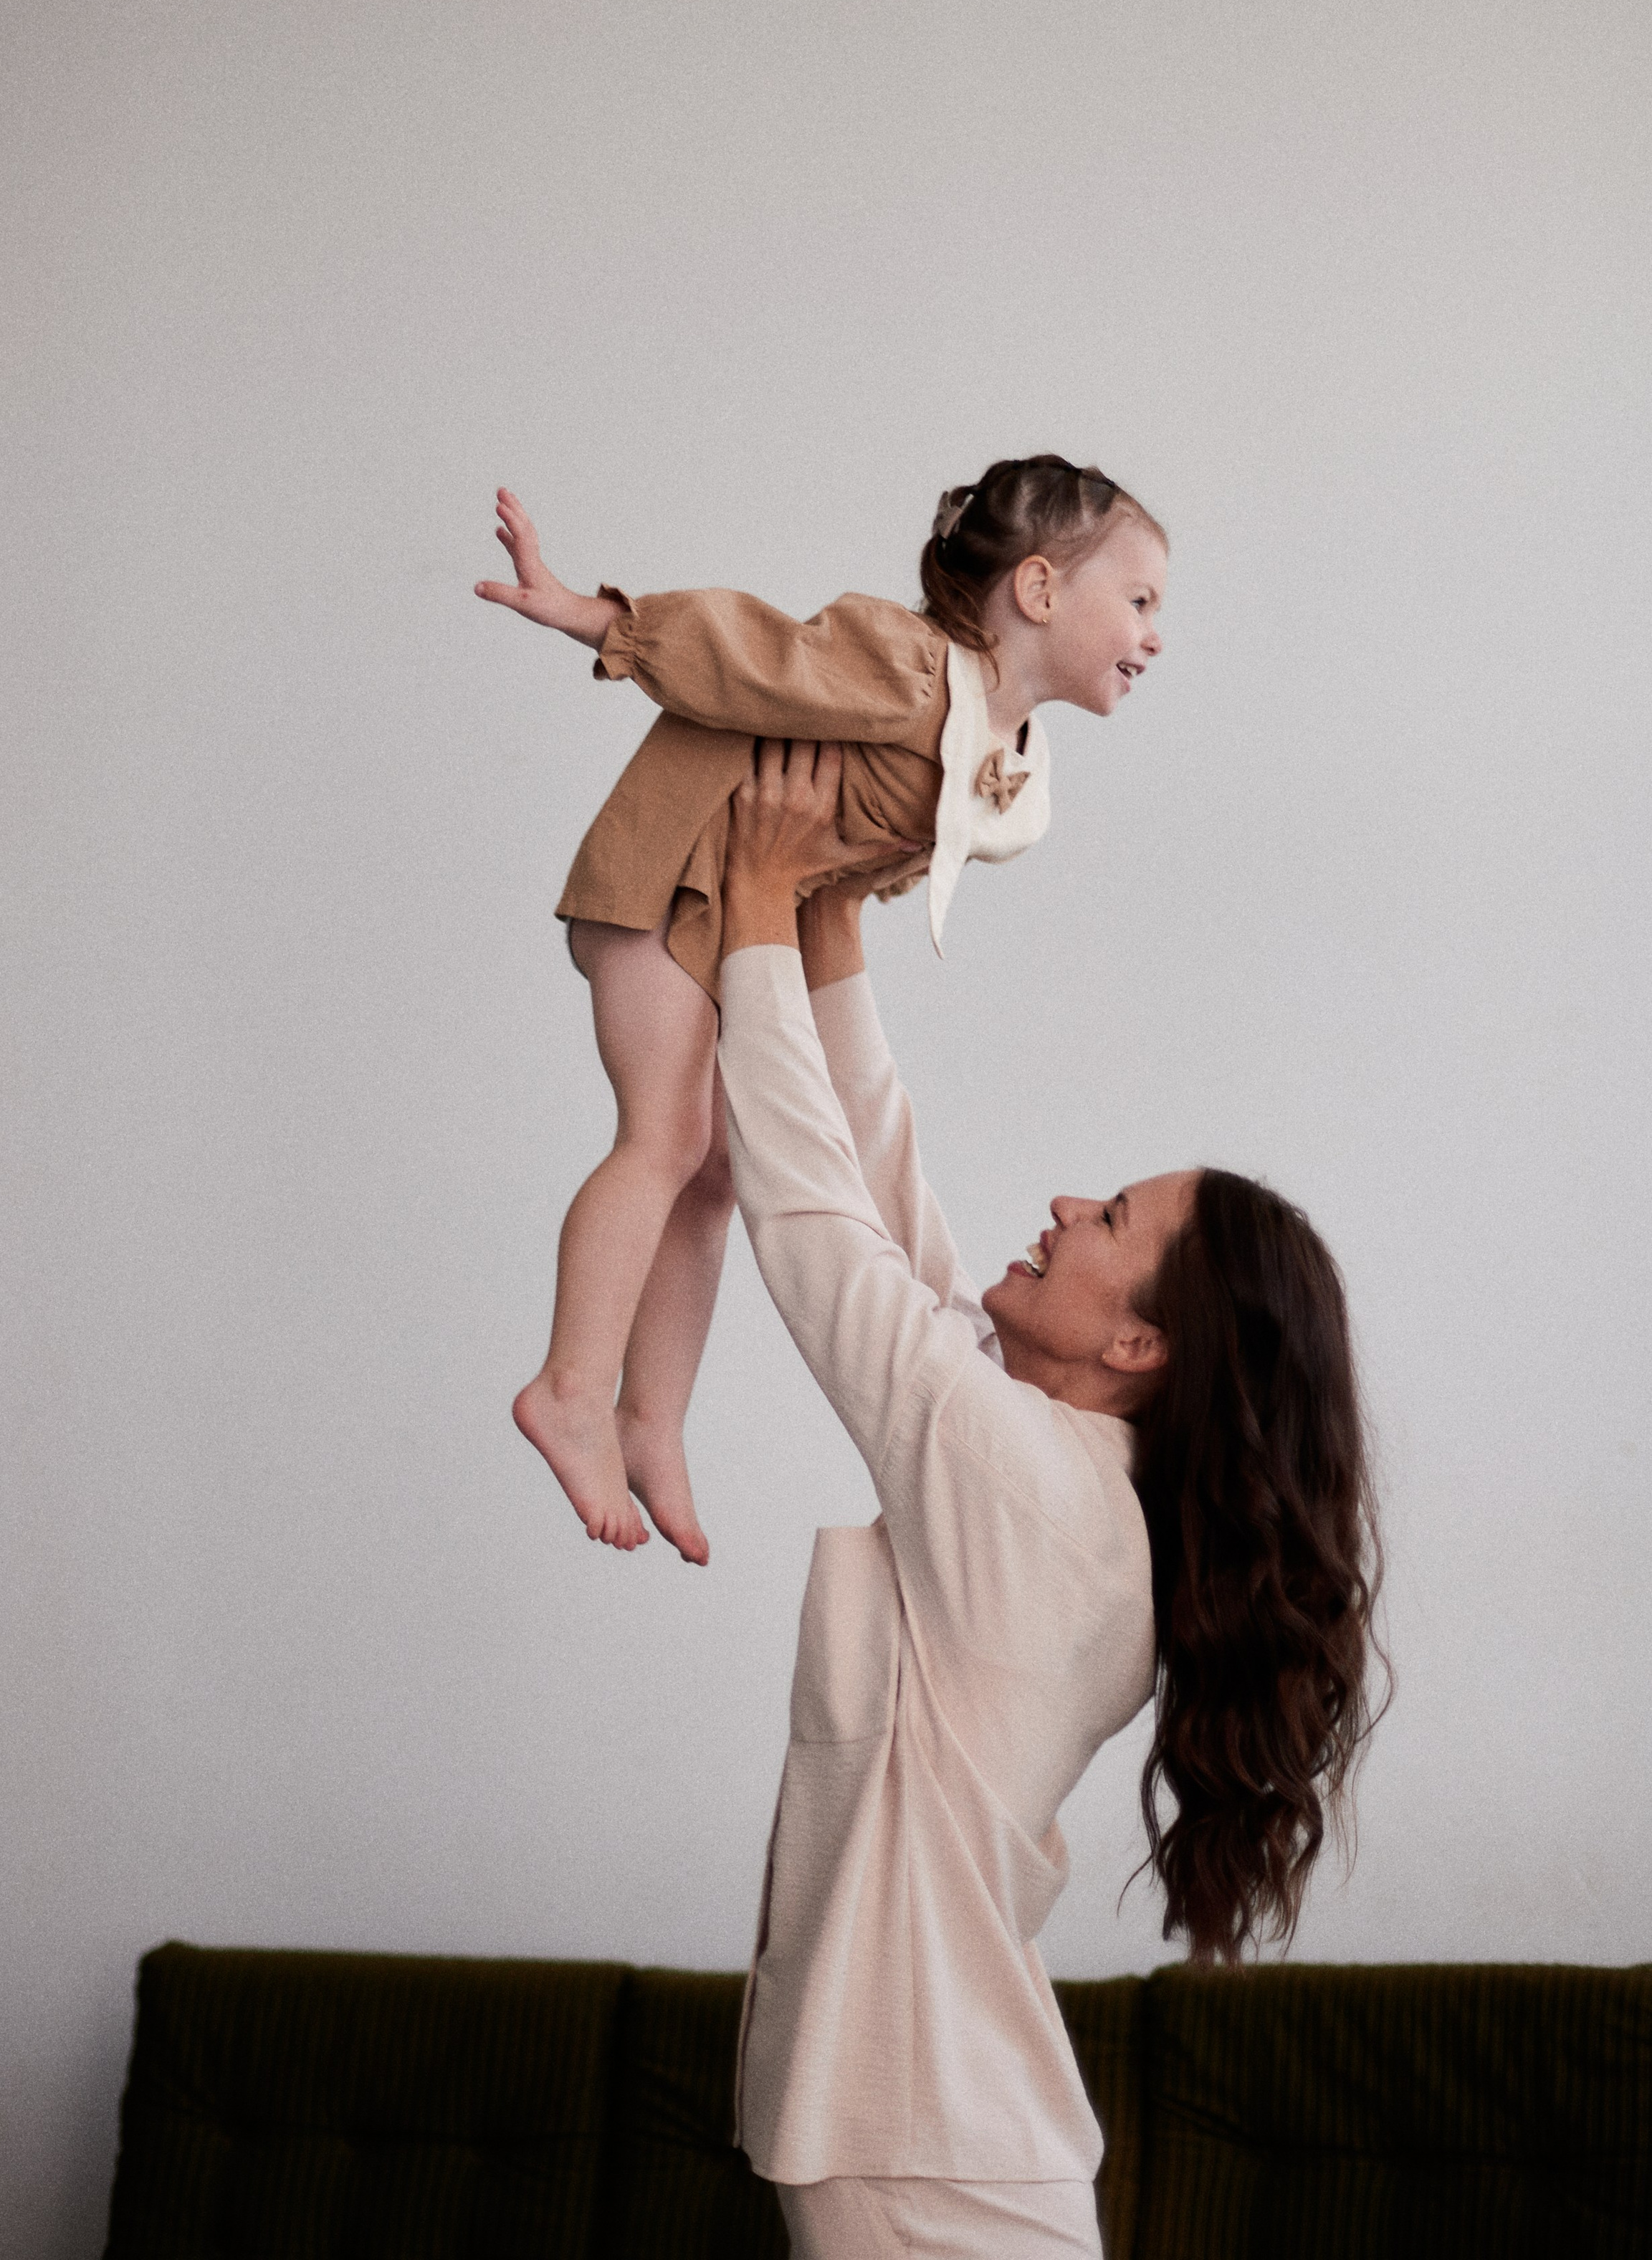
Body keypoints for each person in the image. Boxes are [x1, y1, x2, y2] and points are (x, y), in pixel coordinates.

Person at [715, 741, 1385, 2260]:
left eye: (1112, 1220)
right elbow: (893, 1215)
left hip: (926, 2157)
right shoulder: (1073, 1486)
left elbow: (822, 1237)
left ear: (1137, 1343)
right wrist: (826, 935)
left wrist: (754, 915)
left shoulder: (1028, 1497)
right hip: (941, 2142)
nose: (1070, 1203)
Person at [474, 458, 1168, 1564]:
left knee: (717, 1172)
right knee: (665, 1138)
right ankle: (569, 1389)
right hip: (668, 876)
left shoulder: (1004, 754)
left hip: (731, 906)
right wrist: (596, 618)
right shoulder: (904, 665)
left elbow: (860, 861)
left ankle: (649, 1421)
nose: (1154, 635)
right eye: (1138, 602)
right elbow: (749, 654)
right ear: (1039, 592)